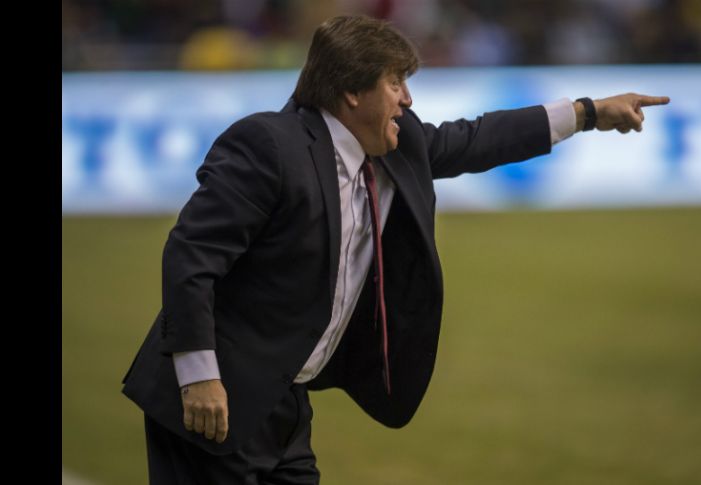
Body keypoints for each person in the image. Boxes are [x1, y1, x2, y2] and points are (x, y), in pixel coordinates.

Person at [121, 14, 670, 484]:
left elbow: (478, 138)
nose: (408, 98)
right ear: (352, 91)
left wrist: (588, 112)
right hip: (211, 401)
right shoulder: (269, 144)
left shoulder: (397, 145)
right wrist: (198, 374)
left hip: (285, 404)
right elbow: (191, 254)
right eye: (396, 82)